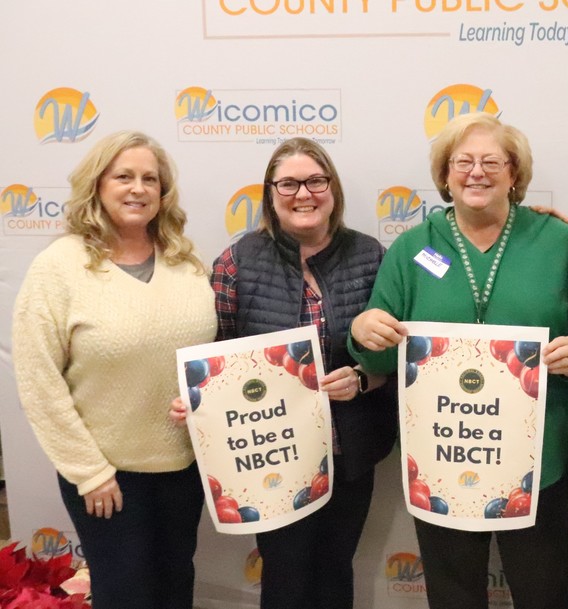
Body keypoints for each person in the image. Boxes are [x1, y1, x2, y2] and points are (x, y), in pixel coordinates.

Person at [348, 112, 568, 609]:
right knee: (453, 597)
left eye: (492, 161)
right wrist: (363, 332)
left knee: (544, 595)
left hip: (535, 461)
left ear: (514, 173)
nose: (476, 172)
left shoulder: (560, 244)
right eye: (462, 162)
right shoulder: (413, 249)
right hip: (443, 457)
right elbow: (377, 356)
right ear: (445, 175)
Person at [186, 137, 396, 609]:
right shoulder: (237, 262)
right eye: (289, 184)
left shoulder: (370, 256)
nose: (304, 194)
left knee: (336, 568)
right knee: (285, 573)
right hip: (270, 455)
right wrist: (196, 397)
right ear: (270, 193)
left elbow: (395, 358)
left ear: (333, 189)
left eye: (316, 181)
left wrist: (362, 378)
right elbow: (215, 356)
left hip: (349, 450)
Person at [12, 131, 217, 608]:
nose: (138, 188)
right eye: (124, 176)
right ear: (97, 185)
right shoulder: (59, 268)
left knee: (175, 588)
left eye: (150, 179)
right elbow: (39, 381)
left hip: (183, 468)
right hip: (108, 478)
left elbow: (211, 355)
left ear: (163, 192)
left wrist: (205, 395)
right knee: (125, 595)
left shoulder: (185, 260)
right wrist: (89, 472)